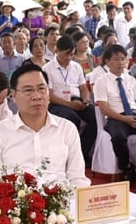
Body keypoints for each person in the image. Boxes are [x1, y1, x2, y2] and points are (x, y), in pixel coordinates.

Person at [0, 64, 90, 187]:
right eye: (28, 90)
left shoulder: (67, 129)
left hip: (63, 202)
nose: (37, 96)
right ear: (14, 95)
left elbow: (77, 178)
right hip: (17, 203)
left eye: (42, 89)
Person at [42, 35, 97, 166]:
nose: (69, 58)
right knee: (72, 118)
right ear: (57, 51)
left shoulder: (76, 67)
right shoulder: (47, 69)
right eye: (66, 54)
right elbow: (50, 95)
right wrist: (70, 105)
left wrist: (85, 101)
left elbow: (83, 88)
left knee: (95, 116)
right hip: (58, 103)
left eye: (72, 54)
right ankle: (68, 156)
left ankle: (82, 153)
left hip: (76, 101)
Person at [93, 44, 136, 179]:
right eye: (116, 59)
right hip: (116, 117)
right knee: (118, 137)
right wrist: (125, 119)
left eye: (123, 59)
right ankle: (126, 166)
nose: (121, 63)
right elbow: (104, 108)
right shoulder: (101, 81)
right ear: (107, 61)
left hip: (135, 115)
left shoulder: (131, 80)